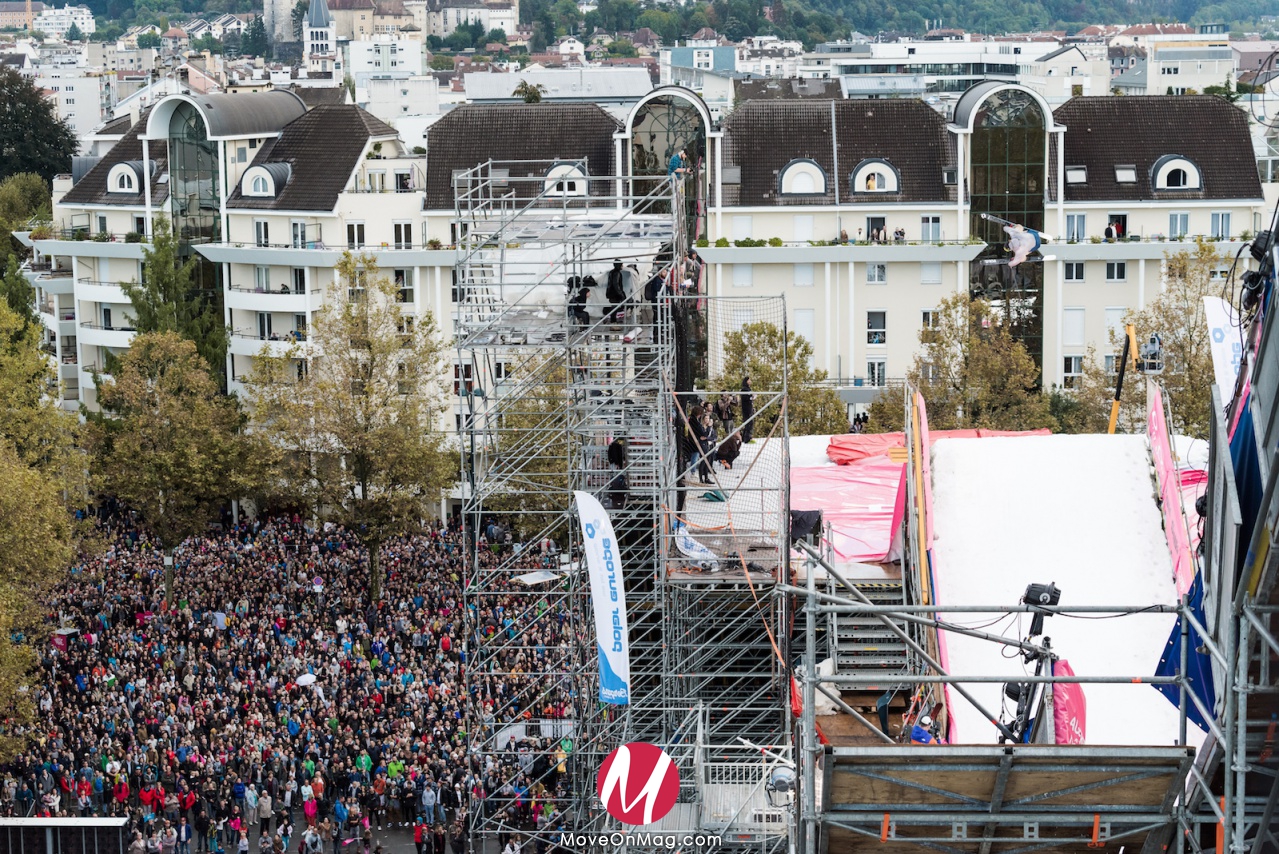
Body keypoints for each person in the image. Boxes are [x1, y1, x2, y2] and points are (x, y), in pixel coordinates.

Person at [739, 377, 754, 444]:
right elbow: (745, 398)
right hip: (746, 409)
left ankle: (746, 437)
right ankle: (746, 438)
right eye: (749, 380)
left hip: (749, 407)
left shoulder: (748, 389)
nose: (750, 381)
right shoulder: (744, 389)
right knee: (748, 423)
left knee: (750, 423)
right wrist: (751, 397)